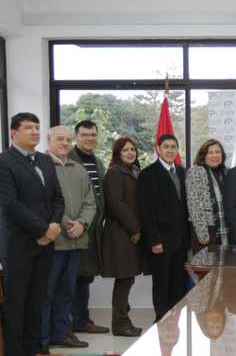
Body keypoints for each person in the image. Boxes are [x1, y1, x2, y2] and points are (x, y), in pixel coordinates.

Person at [0, 113, 64, 356]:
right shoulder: (4, 161)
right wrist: (42, 229)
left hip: (45, 245)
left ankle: (34, 350)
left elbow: (58, 198)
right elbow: (10, 204)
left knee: (37, 303)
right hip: (18, 247)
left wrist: (54, 226)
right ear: (13, 133)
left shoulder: (46, 161)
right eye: (29, 128)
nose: (35, 132)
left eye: (37, 127)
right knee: (17, 306)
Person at [41, 126, 96, 351]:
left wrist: (82, 223)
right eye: (60, 139)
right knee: (46, 293)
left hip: (76, 241)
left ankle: (62, 333)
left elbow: (90, 201)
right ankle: (43, 338)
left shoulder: (79, 169)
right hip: (53, 242)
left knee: (67, 291)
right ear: (49, 140)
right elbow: (44, 202)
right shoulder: (42, 166)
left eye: (68, 140)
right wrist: (67, 224)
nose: (65, 143)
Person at [138, 134, 190, 321]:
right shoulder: (147, 174)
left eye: (173, 147)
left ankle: (175, 319)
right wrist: (154, 240)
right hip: (161, 241)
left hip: (181, 240)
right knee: (162, 283)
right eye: (166, 146)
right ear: (158, 149)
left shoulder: (184, 172)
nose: (170, 150)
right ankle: (161, 320)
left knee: (178, 283)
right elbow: (146, 211)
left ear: (178, 150)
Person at [102, 137, 147, 337]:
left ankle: (122, 317)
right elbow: (117, 204)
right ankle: (120, 323)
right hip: (121, 234)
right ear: (117, 153)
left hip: (131, 233)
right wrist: (135, 229)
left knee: (127, 279)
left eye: (133, 149)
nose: (130, 153)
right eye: (125, 150)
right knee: (124, 279)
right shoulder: (114, 173)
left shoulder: (134, 171)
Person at [68, 120, 109, 334]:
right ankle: (77, 321)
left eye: (93, 135)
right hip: (75, 229)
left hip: (94, 230)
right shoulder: (69, 159)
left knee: (85, 276)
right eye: (84, 135)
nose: (89, 139)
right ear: (77, 136)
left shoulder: (98, 161)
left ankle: (81, 320)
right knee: (75, 276)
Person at [186, 139, 229, 253]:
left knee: (225, 266)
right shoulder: (196, 171)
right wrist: (202, 233)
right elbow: (194, 204)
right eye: (210, 152)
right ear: (203, 156)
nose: (215, 155)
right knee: (207, 268)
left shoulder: (226, 172)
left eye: (217, 152)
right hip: (207, 229)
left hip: (225, 228)